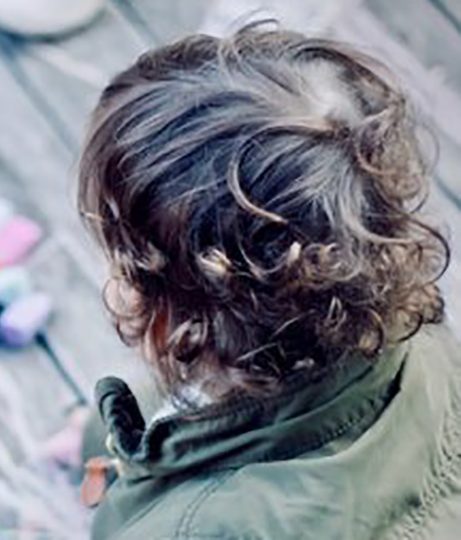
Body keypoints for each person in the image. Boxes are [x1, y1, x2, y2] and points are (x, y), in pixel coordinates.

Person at [78, 22, 461, 539]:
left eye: (120, 256)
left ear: (171, 323)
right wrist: (104, 438)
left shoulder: (194, 531)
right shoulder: (416, 334)